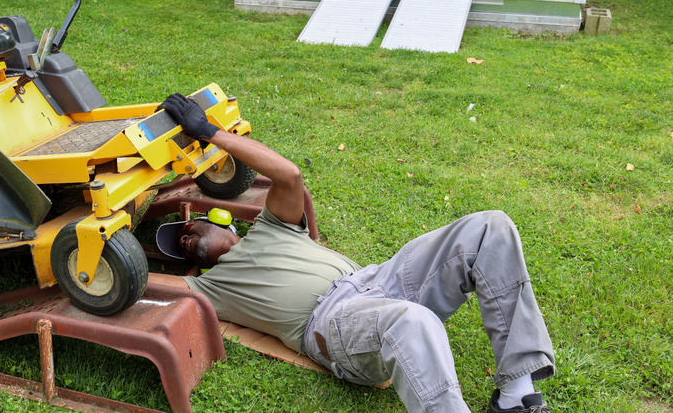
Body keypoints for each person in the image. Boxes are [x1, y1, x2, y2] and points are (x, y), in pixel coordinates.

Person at [150, 93, 556, 413]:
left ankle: (515, 395)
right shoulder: (208, 288)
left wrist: (208, 132)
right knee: (411, 321)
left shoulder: (273, 226)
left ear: (222, 221)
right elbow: (140, 282)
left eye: (188, 227)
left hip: (378, 280)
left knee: (491, 227)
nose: (184, 239)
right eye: (180, 245)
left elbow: (288, 174)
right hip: (334, 326)